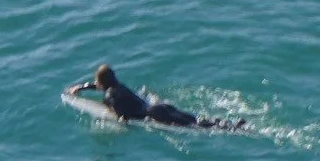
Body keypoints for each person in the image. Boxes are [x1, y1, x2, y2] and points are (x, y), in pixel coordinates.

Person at [67, 65, 244, 130]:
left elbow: (122, 117)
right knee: (195, 119)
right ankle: (232, 124)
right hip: (160, 107)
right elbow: (102, 86)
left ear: (101, 83)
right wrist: (82, 87)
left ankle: (233, 129)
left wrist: (118, 124)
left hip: (153, 116)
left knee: (194, 127)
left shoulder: (109, 96)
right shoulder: (118, 86)